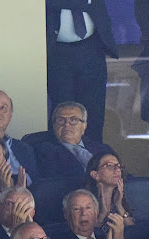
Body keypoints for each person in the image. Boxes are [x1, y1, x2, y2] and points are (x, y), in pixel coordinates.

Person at [46, 0, 116, 142]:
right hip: (57, 52)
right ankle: (62, 157)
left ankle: (92, 159)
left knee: (94, 113)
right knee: (62, 110)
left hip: (91, 48)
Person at [47, 189, 132, 239]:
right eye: (76, 209)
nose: (83, 213)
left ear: (96, 213)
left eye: (88, 208)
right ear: (66, 215)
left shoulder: (103, 236)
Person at [37, 101, 113, 178]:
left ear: (84, 126)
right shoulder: (46, 152)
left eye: (73, 120)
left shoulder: (103, 149)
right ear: (54, 126)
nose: (66, 124)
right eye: (61, 120)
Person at [84, 152, 134, 229]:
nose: (117, 170)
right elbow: (86, 235)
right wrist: (102, 214)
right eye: (109, 166)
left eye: (118, 166)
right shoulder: (84, 202)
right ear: (95, 174)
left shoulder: (127, 198)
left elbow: (134, 233)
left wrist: (119, 206)